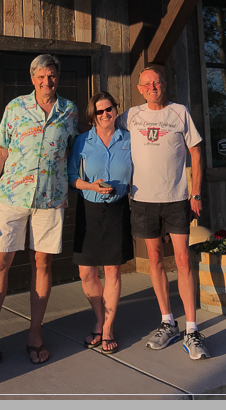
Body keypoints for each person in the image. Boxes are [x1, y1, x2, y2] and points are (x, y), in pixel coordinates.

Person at [0, 54, 78, 378]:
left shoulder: (69, 111)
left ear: (58, 78)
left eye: (51, 76)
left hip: (50, 200)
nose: (46, 81)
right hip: (12, 197)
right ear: (32, 79)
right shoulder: (15, 108)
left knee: (42, 263)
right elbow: (0, 151)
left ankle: (35, 335)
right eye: (41, 76)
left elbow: (74, 151)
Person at [116, 65, 210, 360]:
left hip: (176, 198)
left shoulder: (179, 112)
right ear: (139, 89)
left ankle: (192, 329)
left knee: (182, 260)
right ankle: (168, 322)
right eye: (146, 84)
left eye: (156, 82)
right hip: (143, 200)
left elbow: (196, 151)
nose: (152, 87)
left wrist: (196, 192)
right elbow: (106, 131)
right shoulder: (131, 116)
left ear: (164, 85)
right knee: (154, 260)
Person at [67, 91, 134, 355]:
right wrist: (90, 186)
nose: (106, 114)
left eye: (110, 109)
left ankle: (107, 329)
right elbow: (71, 176)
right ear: (92, 116)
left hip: (117, 209)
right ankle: (99, 317)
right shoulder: (82, 141)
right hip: (89, 209)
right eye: (100, 111)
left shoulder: (129, 139)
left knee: (113, 272)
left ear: (116, 110)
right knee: (86, 272)